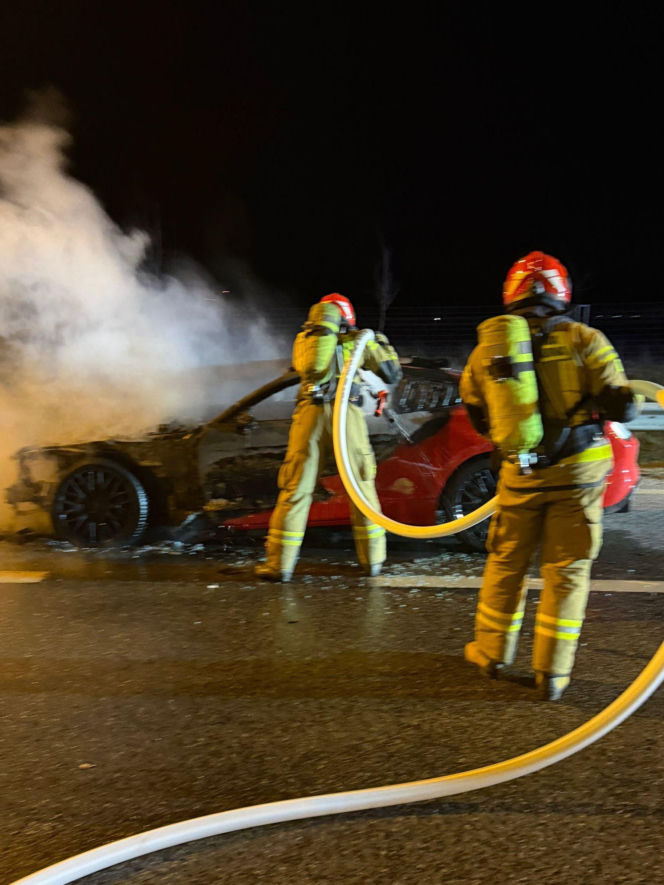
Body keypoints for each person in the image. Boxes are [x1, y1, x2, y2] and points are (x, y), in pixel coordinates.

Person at [459, 252, 639, 700]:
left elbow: (478, 416)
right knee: (567, 571)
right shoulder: (585, 337)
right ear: (560, 291)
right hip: (578, 475)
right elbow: (623, 406)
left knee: (505, 563)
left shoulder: (489, 349)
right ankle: (553, 675)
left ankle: (490, 653)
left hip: (521, 475)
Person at [254, 293, 402, 582]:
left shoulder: (305, 341)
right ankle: (372, 561)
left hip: (310, 416)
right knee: (361, 488)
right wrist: (377, 342)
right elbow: (390, 373)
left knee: (296, 488)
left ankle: (279, 565)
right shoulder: (358, 342)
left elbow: (303, 369)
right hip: (346, 416)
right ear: (348, 319)